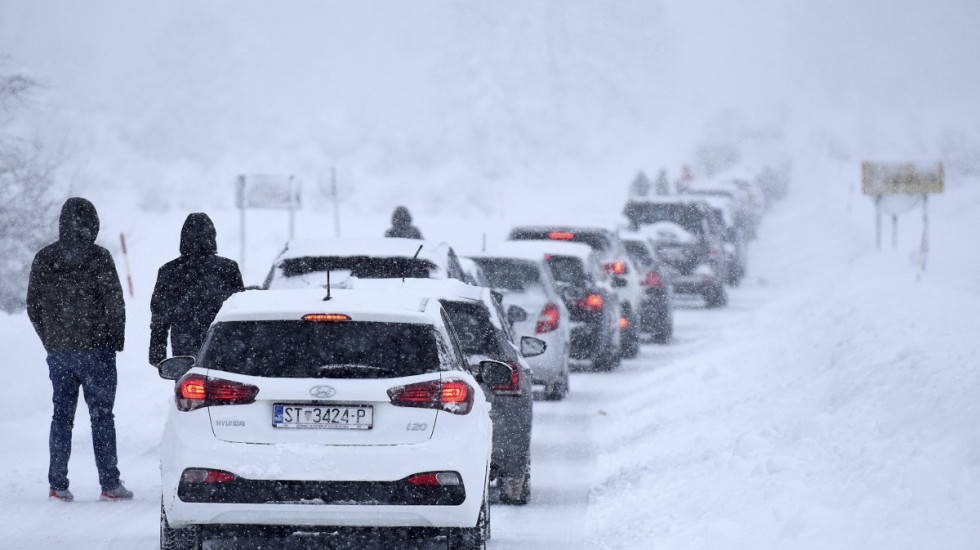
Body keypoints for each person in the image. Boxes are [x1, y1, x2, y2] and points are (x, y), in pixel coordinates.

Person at [27, 197, 133, 502]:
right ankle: (110, 484)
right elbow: (115, 304)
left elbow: (33, 305)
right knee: (102, 416)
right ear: (92, 223)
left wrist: (50, 339)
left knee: (61, 417)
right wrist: (115, 341)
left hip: (59, 351)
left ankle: (57, 484)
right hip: (97, 350)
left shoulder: (44, 258)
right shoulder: (99, 258)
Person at [149, 213, 244, 366]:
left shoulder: (169, 270)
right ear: (212, 237)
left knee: (187, 385)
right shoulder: (228, 268)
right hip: (221, 341)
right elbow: (239, 310)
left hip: (184, 344)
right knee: (223, 386)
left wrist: (157, 352)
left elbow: (160, 315)